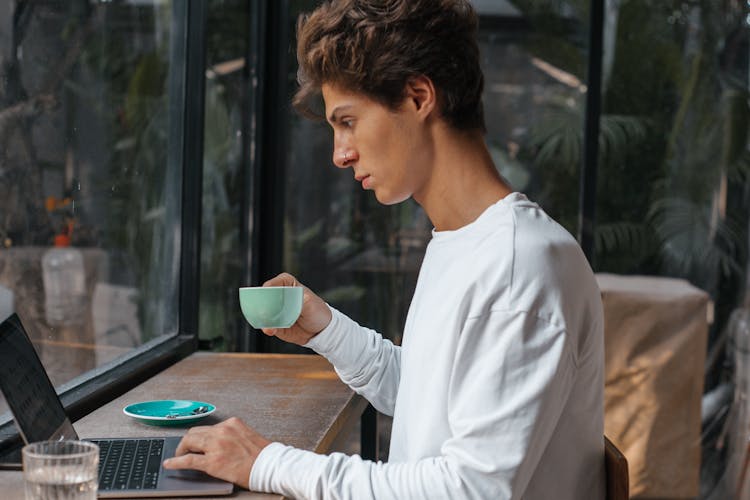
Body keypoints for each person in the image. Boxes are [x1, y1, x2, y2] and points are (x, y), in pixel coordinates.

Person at [163, 0, 606, 498]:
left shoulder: (517, 267)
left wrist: (267, 462)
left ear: (419, 97)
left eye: (347, 121)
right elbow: (420, 395)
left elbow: (470, 491)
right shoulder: (468, 243)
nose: (339, 153)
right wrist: (326, 329)